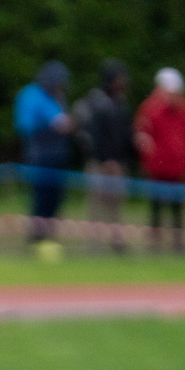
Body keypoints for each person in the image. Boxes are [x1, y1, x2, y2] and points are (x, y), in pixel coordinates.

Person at [14, 61, 76, 244]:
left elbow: (65, 122)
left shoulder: (58, 97)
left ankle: (50, 234)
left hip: (58, 154)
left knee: (57, 197)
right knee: (41, 196)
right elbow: (24, 125)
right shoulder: (30, 94)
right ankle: (36, 235)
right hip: (39, 155)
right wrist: (49, 123)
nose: (60, 86)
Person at [76, 61, 133, 251]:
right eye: (120, 77)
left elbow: (124, 135)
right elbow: (94, 136)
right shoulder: (98, 103)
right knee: (96, 203)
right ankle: (93, 243)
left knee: (116, 203)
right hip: (99, 163)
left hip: (117, 163)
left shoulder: (121, 103)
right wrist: (105, 159)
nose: (124, 81)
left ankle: (116, 240)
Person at [135, 68, 185, 253]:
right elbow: (142, 135)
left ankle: (179, 242)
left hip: (177, 165)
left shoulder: (184, 109)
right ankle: (154, 242)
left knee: (178, 206)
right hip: (158, 166)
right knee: (156, 205)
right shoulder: (150, 108)